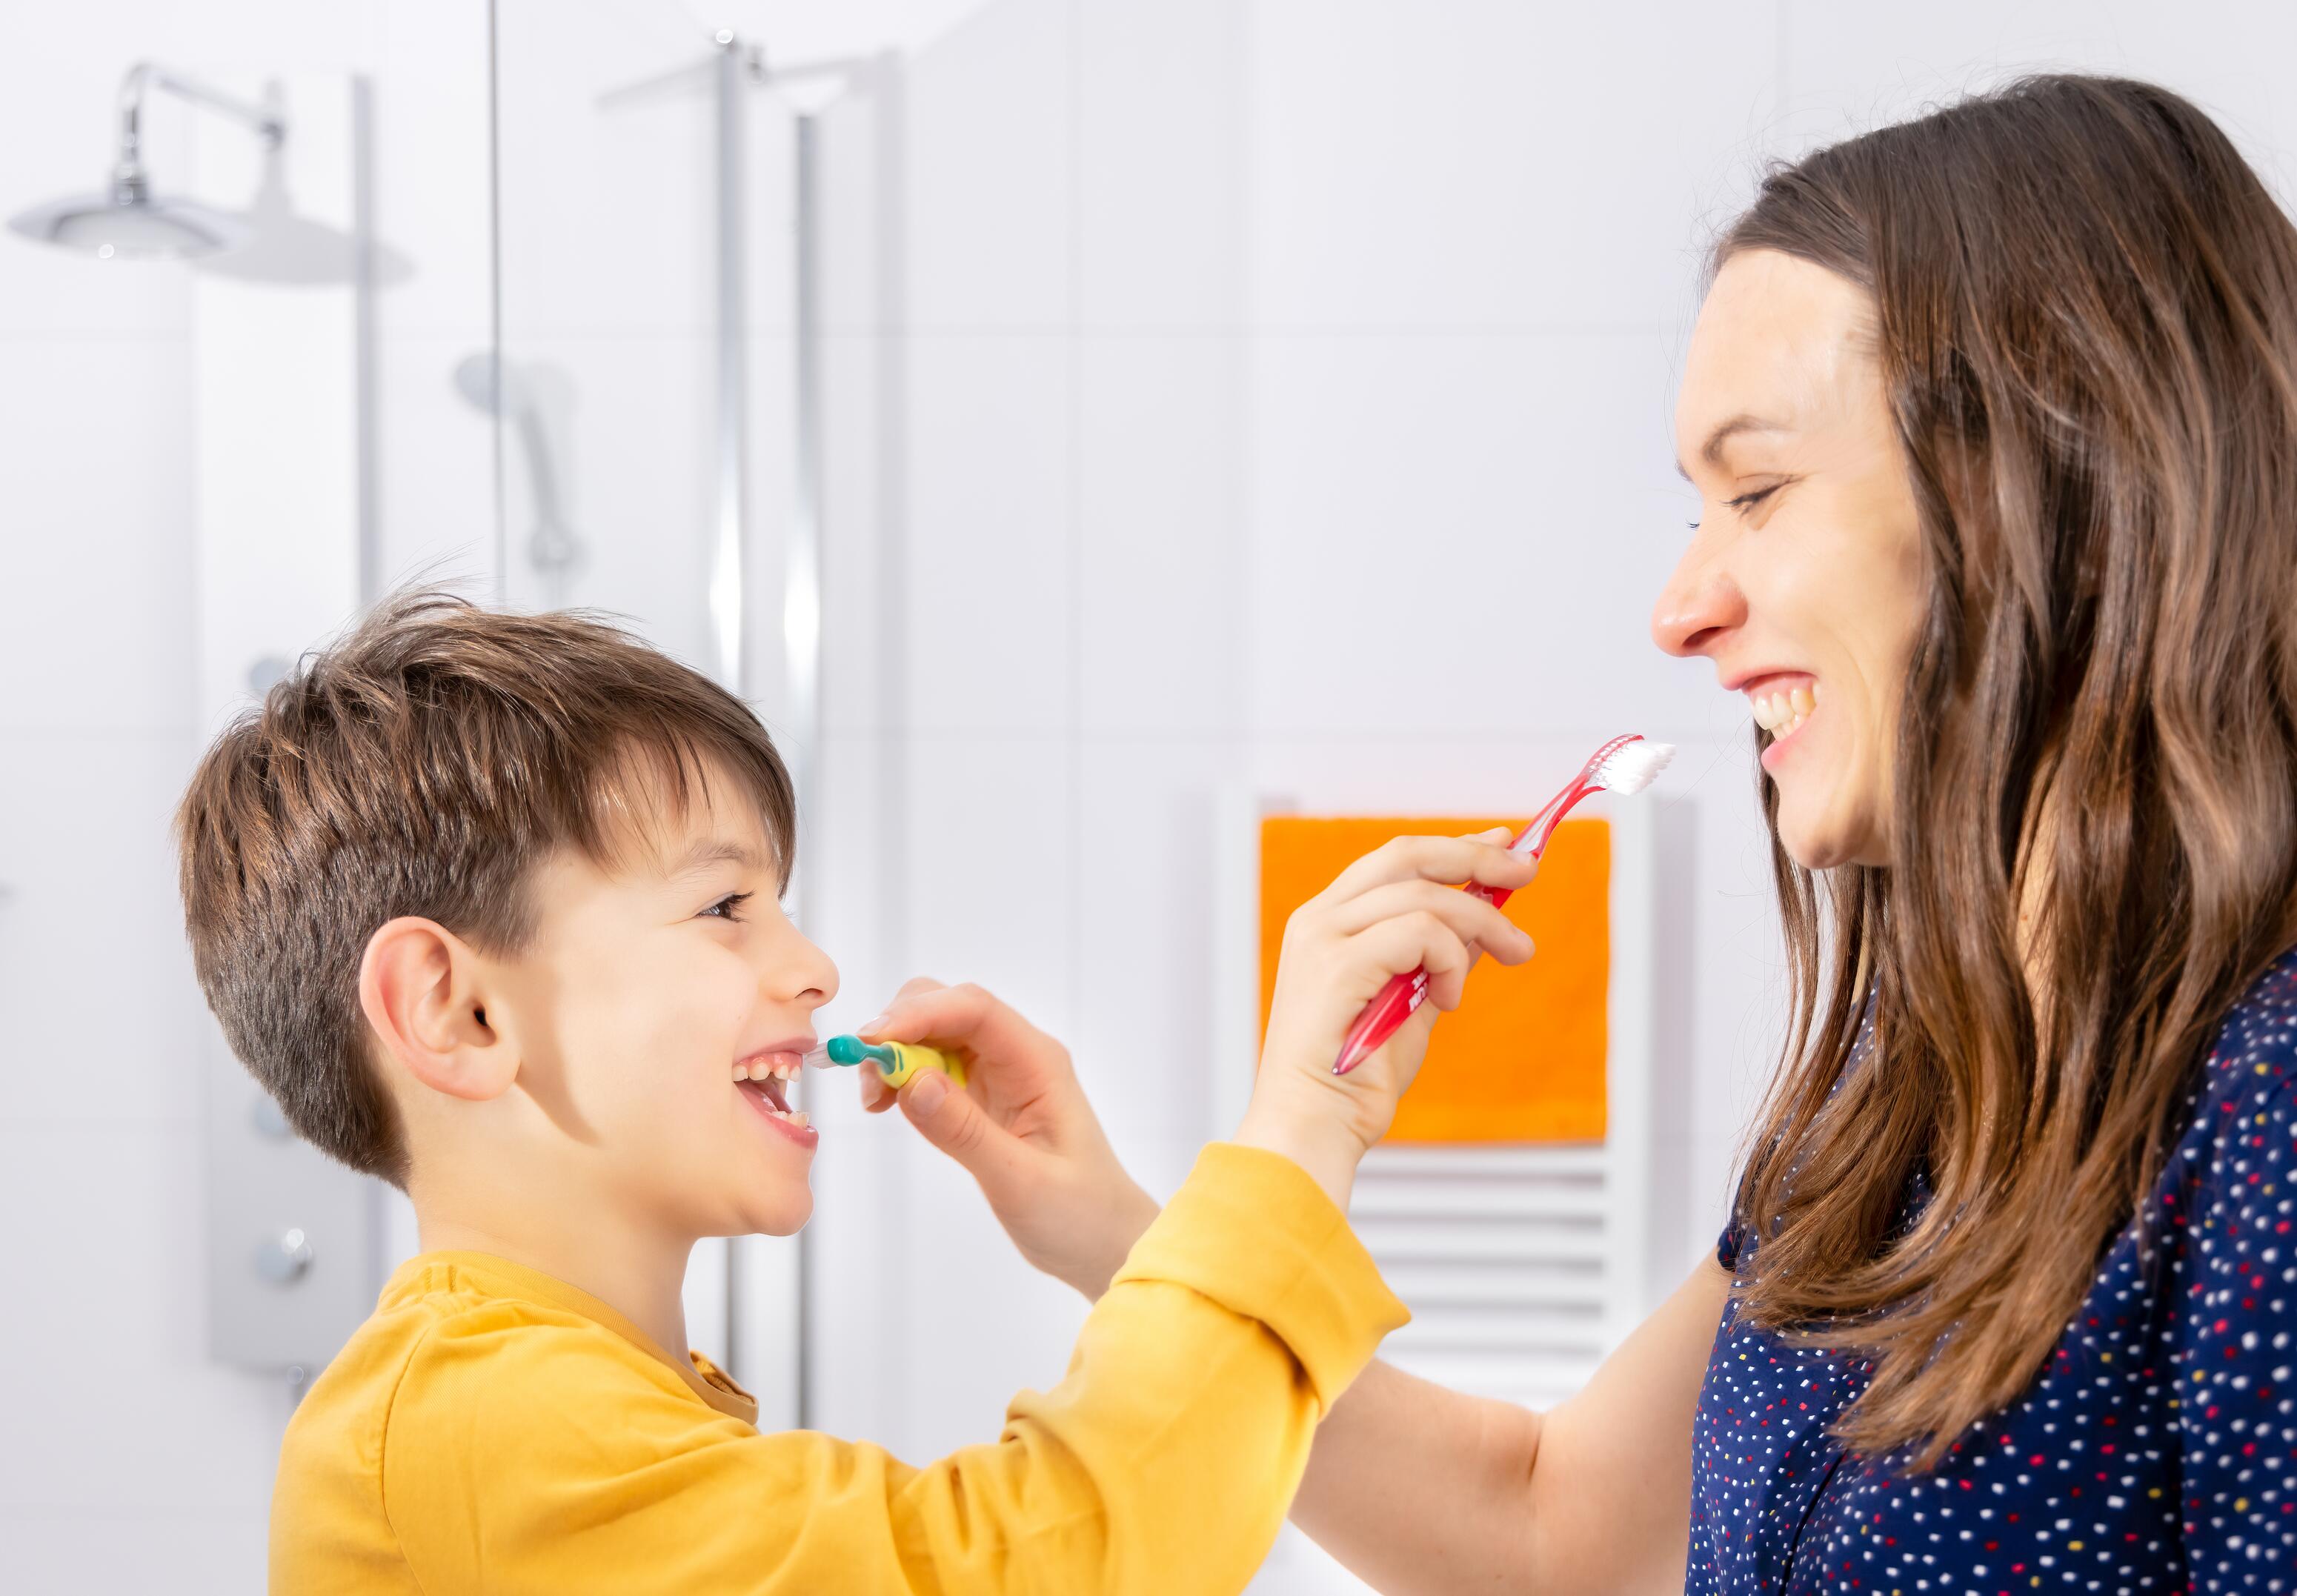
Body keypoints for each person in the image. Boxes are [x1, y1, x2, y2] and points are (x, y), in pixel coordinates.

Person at [876, 75, 2297, 1591]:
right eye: (1697, 511)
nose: (1678, 610)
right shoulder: (1908, 1084)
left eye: (1758, 490)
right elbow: (1548, 1529)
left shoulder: (2264, 1106)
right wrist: (1115, 1232)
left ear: (2060, 486)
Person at [177, 591, 1538, 1592]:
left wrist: (1114, 1230)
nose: (817, 967)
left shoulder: (546, 1405)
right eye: (725, 906)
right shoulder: (472, 1426)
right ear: (458, 1009)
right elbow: (1050, 1564)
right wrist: (1301, 1126)